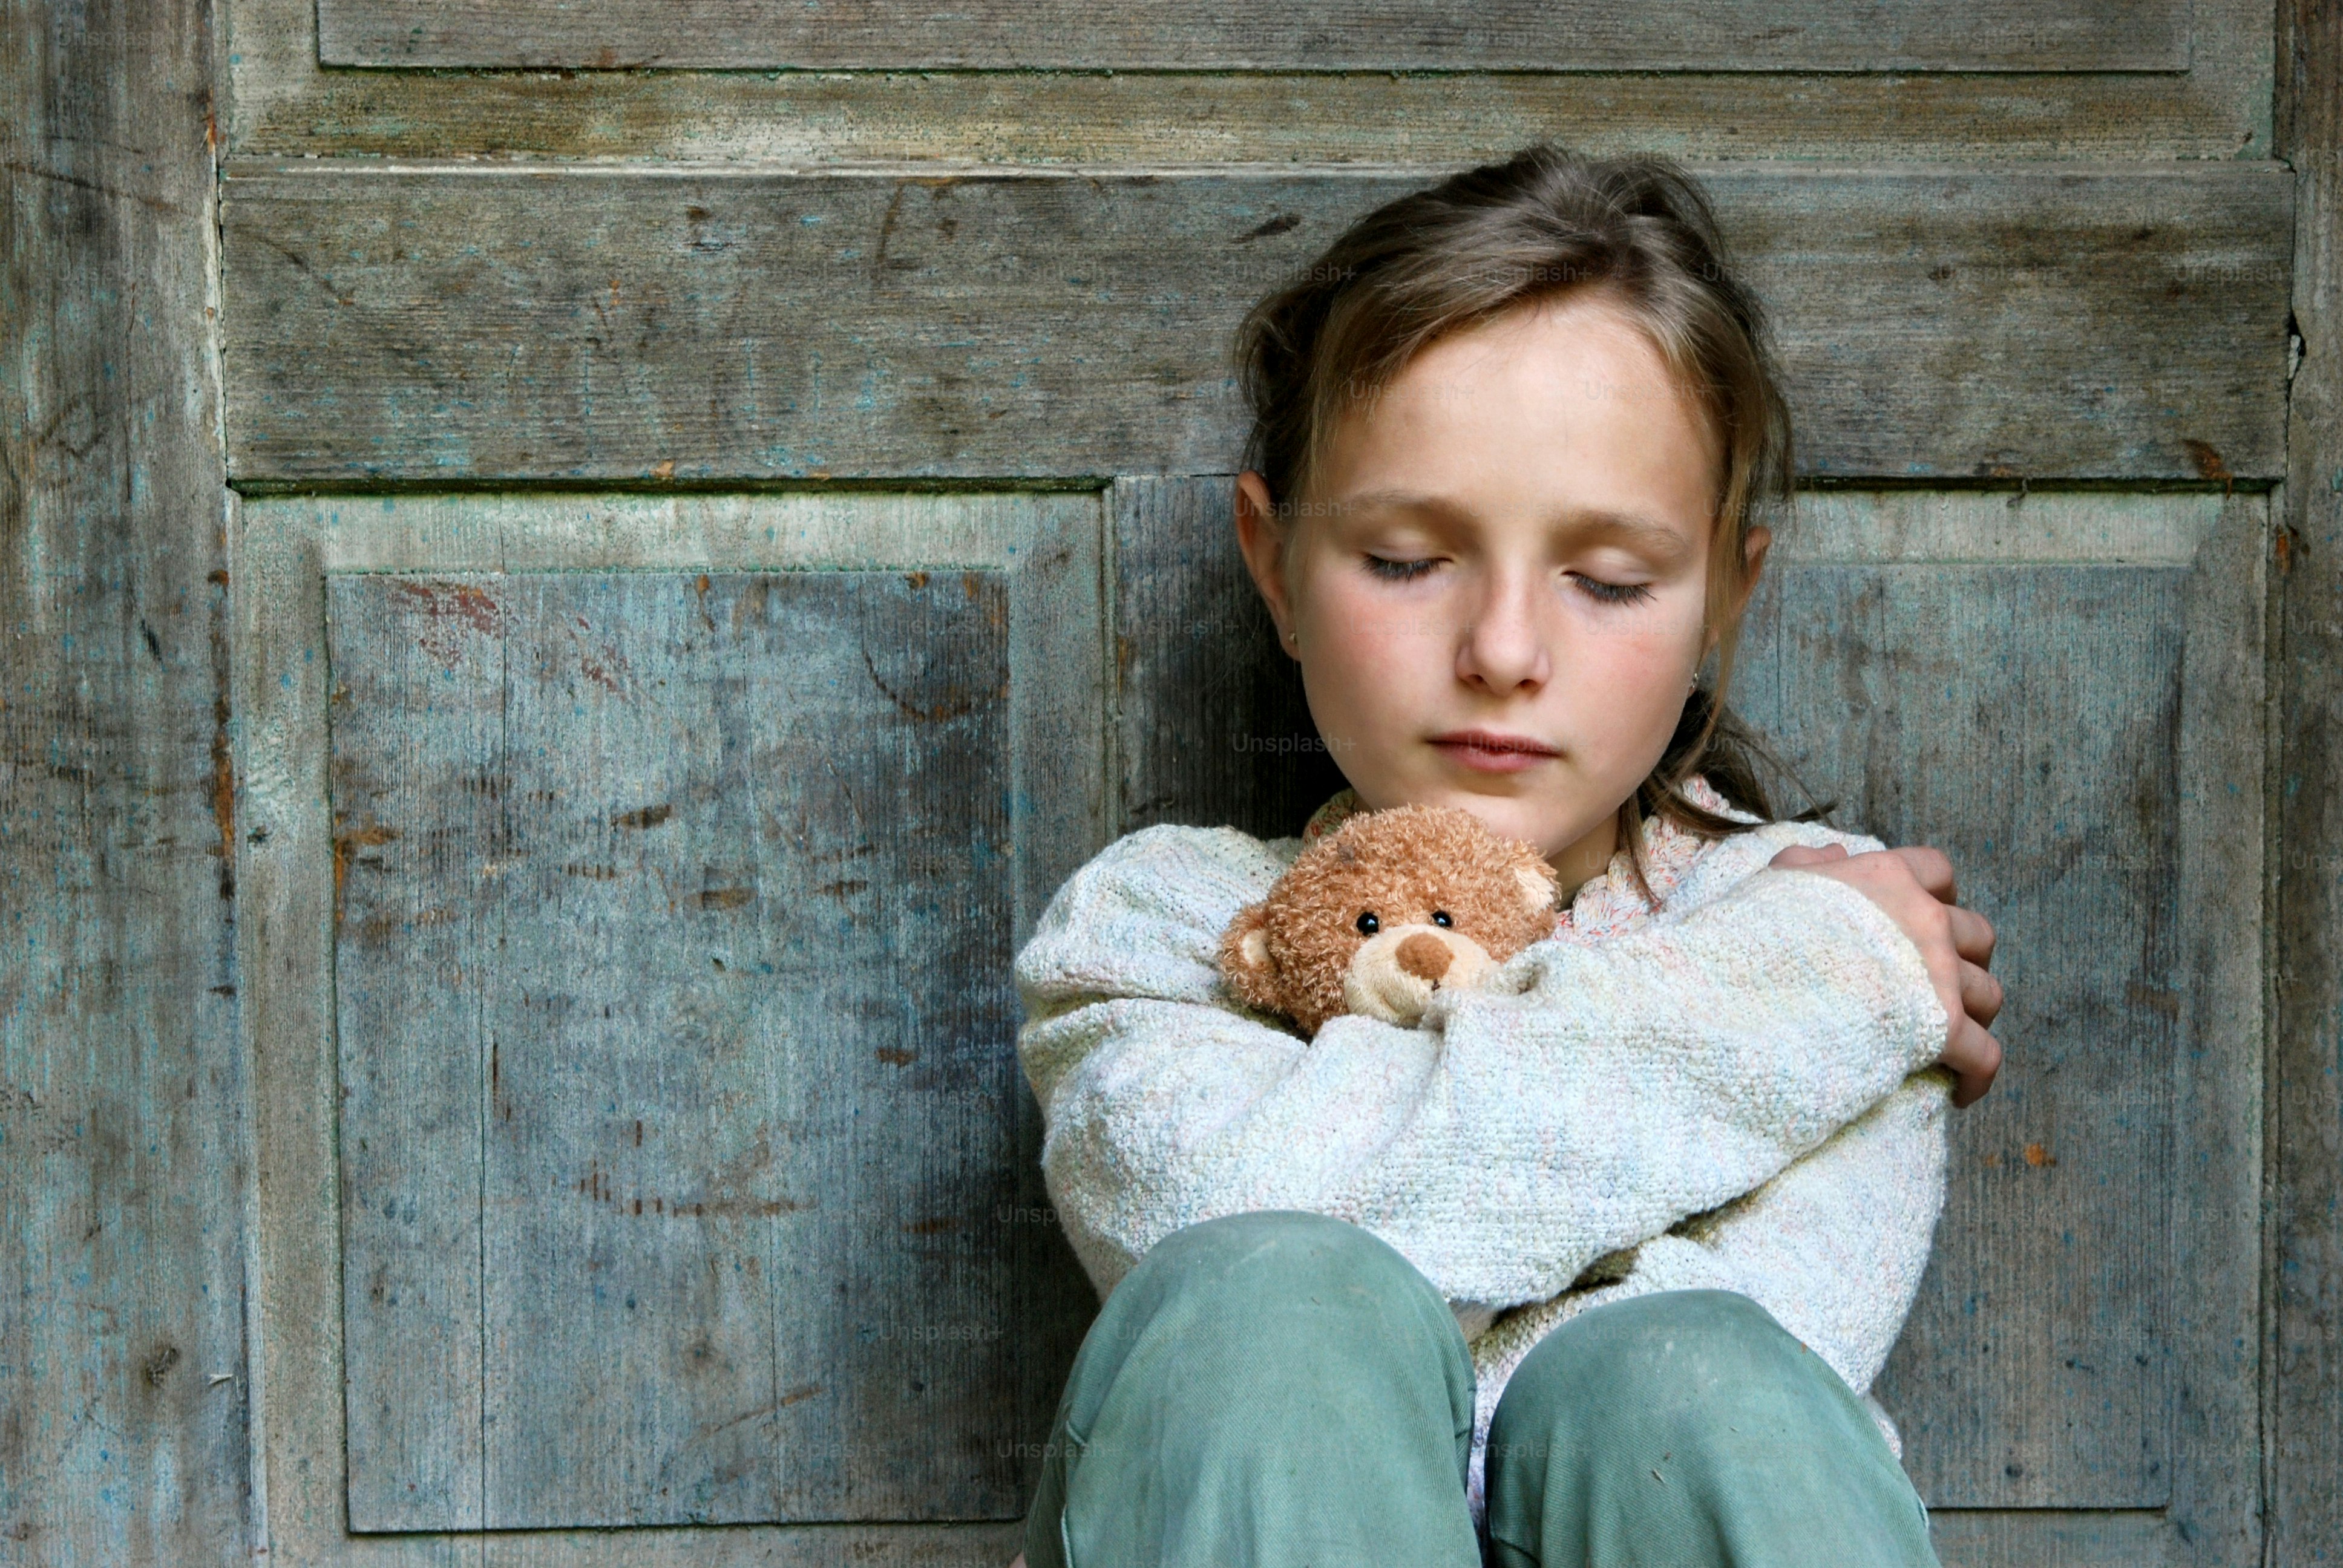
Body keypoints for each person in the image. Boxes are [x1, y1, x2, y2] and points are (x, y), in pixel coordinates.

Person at [1006, 145, 2004, 1568]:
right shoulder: (1158, 931)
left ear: (1727, 594)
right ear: (1273, 564)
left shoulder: (1834, 918)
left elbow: (1782, 1340)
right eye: (1408, 560)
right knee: (1274, 1307)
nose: (1503, 654)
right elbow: (1240, 1224)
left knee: (1691, 1386)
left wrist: (1407, 1142)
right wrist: (1777, 999)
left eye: (1606, 583)